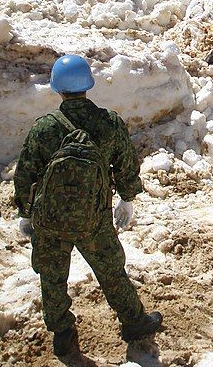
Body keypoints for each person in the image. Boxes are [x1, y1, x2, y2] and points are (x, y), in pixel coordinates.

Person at [14, 54, 162, 357]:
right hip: (94, 218)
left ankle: (63, 335)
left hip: (50, 221)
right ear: (88, 86)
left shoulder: (44, 128)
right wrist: (127, 198)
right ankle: (135, 322)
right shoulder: (109, 123)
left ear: (57, 88)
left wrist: (25, 214)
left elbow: (25, 173)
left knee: (52, 278)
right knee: (111, 271)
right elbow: (125, 165)